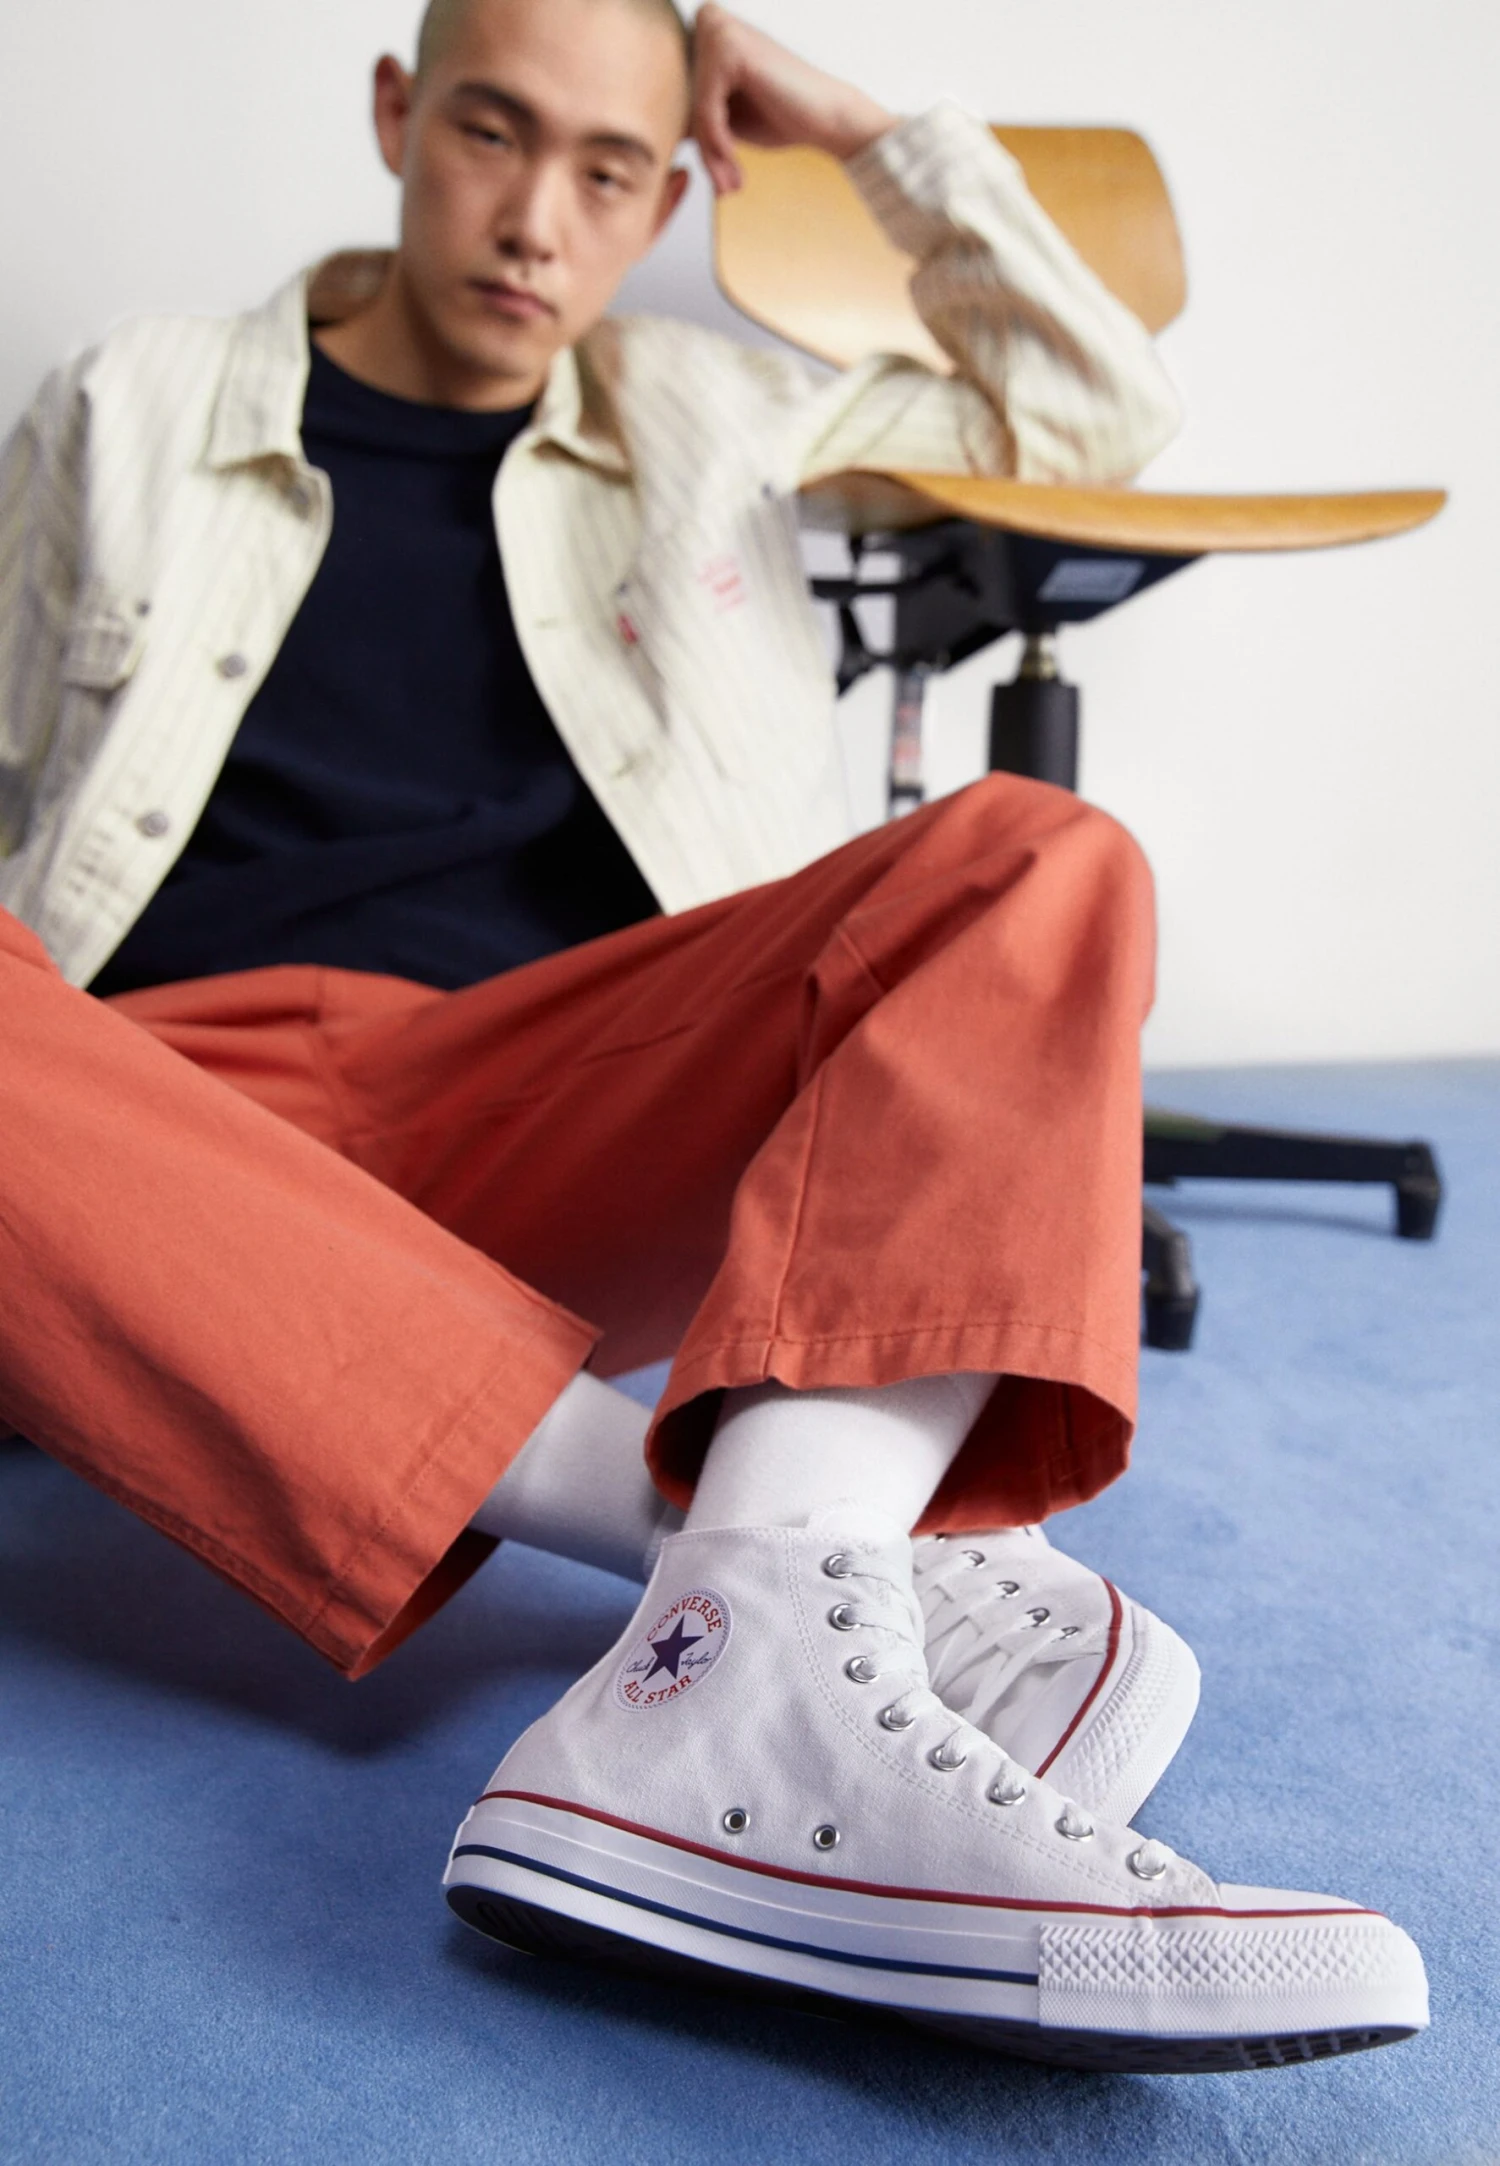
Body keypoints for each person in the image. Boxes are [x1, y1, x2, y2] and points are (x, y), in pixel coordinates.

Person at [0, 0, 1426, 2072]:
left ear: (673, 190)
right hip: (151, 1122)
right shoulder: (127, 400)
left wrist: (865, 135)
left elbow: (1097, 414)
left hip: (540, 1099)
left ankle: (744, 1642)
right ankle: (758, 1575)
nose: (539, 220)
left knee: (1041, 860)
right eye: (493, 134)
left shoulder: (719, 413)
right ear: (398, 113)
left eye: (612, 173)